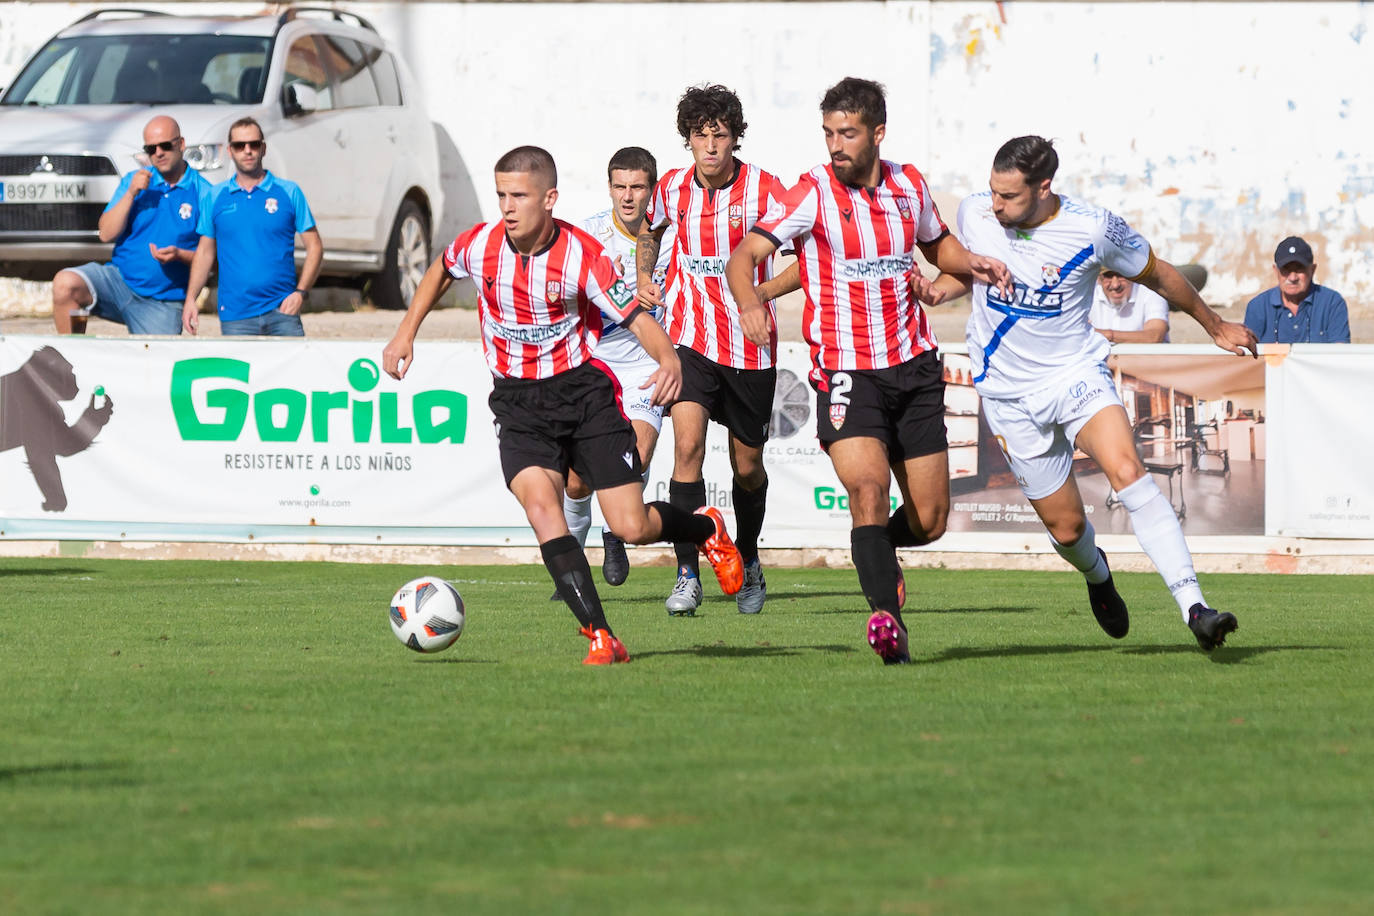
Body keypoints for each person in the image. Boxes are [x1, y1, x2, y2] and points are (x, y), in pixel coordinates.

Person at [381, 145, 744, 665]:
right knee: (542, 509)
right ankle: (601, 634)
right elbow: (441, 267)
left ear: (549, 198)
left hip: (582, 397)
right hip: (518, 403)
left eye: (520, 196)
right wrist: (404, 332)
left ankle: (706, 527)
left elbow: (635, 315)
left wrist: (668, 359)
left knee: (630, 526)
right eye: (502, 194)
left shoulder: (580, 255)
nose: (507, 207)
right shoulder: (481, 244)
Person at [727, 76, 1010, 664]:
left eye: (848, 133)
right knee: (867, 490)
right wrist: (752, 303)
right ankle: (887, 620)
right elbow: (743, 256)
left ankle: (876, 551)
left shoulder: (908, 184)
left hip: (913, 367)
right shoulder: (811, 192)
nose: (836, 145)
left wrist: (970, 265)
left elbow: (940, 248)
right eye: (829, 132)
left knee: (930, 520)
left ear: (878, 133)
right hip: (846, 373)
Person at [959, 135, 1257, 652]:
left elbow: (1160, 273)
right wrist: (939, 286)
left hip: (1074, 373)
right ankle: (1098, 577)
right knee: (1069, 529)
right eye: (992, 193)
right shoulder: (976, 213)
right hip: (1008, 394)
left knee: (1129, 474)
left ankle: (1195, 608)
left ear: (1044, 187)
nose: (996, 205)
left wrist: (1213, 325)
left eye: (1008, 196)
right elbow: (958, 262)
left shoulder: (1094, 227)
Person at [636, 84, 788, 617]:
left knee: (748, 467)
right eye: (700, 136)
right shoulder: (673, 188)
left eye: (719, 135)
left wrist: (763, 293)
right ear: (688, 140)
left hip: (750, 349)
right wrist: (644, 274)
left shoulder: (767, 190)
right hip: (691, 340)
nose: (710, 146)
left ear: (734, 138)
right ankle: (686, 573)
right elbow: (649, 232)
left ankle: (747, 559)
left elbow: (806, 255)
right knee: (686, 450)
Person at [555, 147, 675, 594]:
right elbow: (563, 296)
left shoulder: (669, 233)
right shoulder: (586, 237)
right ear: (609, 188)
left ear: (652, 188)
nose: (628, 197)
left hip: (645, 363)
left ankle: (614, 532)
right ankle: (571, 560)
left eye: (637, 187)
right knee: (576, 478)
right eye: (620, 187)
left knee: (636, 456)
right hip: (598, 364)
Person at [51, 115, 210, 335]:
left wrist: (179, 254)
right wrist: (131, 193)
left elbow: (211, 257)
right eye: (151, 149)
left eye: (165, 145)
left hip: (162, 300)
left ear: (181, 144)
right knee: (65, 283)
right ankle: (68, 362)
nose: (159, 153)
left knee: (156, 366)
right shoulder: (134, 180)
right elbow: (106, 234)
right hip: (118, 282)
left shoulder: (204, 192)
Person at [182, 118, 322, 336]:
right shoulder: (215, 196)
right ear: (230, 151)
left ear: (263, 148)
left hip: (283, 312)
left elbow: (314, 246)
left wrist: (301, 293)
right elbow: (205, 252)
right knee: (238, 372)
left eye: (254, 144)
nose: (247, 151)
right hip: (236, 316)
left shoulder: (289, 191)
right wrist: (191, 299)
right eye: (239, 146)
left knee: (292, 371)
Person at [1243, 236, 1351, 343]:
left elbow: (1339, 353)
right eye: (1286, 270)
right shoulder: (1258, 307)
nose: (1293, 278)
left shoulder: (1332, 303)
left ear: (1312, 270)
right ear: (1276, 271)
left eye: (1299, 269)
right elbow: (1249, 355)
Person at [1090, 270, 1171, 343]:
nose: (1115, 285)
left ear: (1133, 276)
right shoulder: (1087, 295)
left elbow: (1155, 336)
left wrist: (1106, 335)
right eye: (1108, 277)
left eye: (1121, 275)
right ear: (1098, 279)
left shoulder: (1151, 292)